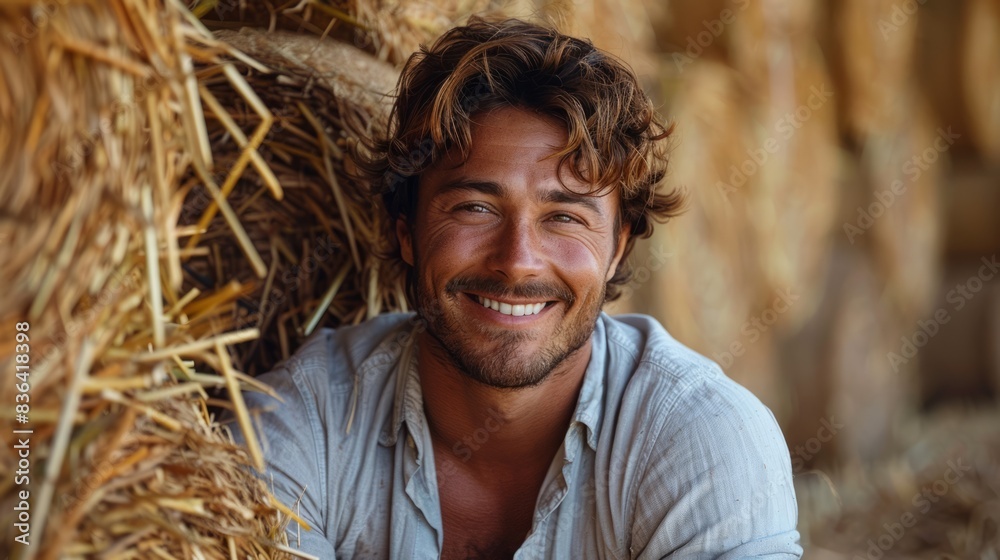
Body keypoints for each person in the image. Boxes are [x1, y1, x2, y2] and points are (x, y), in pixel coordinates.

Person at [234, 17, 802, 559]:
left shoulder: (700, 441)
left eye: (564, 217)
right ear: (406, 234)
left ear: (618, 248)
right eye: (475, 208)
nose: (517, 263)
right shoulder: (303, 425)